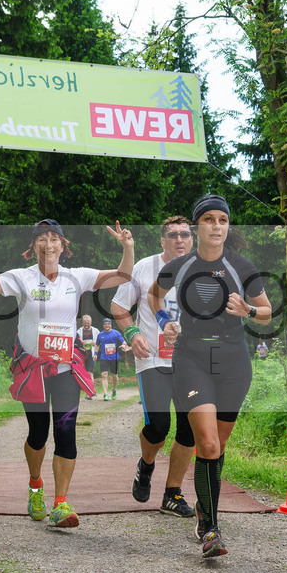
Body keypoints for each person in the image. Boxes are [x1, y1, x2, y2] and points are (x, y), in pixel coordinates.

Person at [0, 219, 134, 528]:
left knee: (66, 432)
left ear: (63, 245)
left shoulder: (77, 276)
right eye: (42, 239)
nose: (48, 244)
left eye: (54, 238)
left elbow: (122, 275)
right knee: (38, 433)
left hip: (65, 368)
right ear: (33, 246)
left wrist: (127, 248)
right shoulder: (21, 278)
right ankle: (35, 485)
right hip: (33, 369)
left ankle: (60, 504)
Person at [148, 195, 272, 558]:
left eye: (222, 220)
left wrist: (248, 310)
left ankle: (205, 506)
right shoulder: (180, 265)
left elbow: (266, 311)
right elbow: (154, 296)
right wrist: (165, 321)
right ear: (196, 225)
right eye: (209, 219)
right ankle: (211, 529)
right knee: (208, 444)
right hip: (192, 357)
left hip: (233, 359)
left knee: (218, 446)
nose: (216, 226)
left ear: (228, 226)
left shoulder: (241, 266)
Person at [111, 215, 197, 518]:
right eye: (173, 235)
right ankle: (146, 464)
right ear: (163, 241)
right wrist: (133, 334)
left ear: (192, 239)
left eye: (185, 235)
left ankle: (172, 494)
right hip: (152, 359)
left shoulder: (202, 270)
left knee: (189, 429)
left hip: (189, 362)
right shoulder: (144, 268)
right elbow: (119, 307)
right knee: (159, 427)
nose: (179, 240)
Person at [95, 317, 126, 400]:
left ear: (111, 325)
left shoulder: (115, 333)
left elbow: (123, 341)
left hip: (114, 358)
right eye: (105, 324)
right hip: (104, 357)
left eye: (108, 324)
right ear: (103, 325)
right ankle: (105, 394)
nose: (107, 325)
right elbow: (97, 344)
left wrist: (123, 345)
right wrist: (95, 354)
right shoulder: (100, 335)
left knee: (114, 376)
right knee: (104, 375)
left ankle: (114, 389)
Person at [77, 315, 98, 399]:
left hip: (91, 355)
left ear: (91, 322)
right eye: (85, 323)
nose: (86, 324)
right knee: (83, 373)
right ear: (82, 322)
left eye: (88, 323)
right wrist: (82, 343)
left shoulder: (96, 331)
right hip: (82, 355)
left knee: (90, 373)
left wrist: (96, 353)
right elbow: (76, 344)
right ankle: (85, 391)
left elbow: (98, 344)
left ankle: (90, 392)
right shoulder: (79, 331)